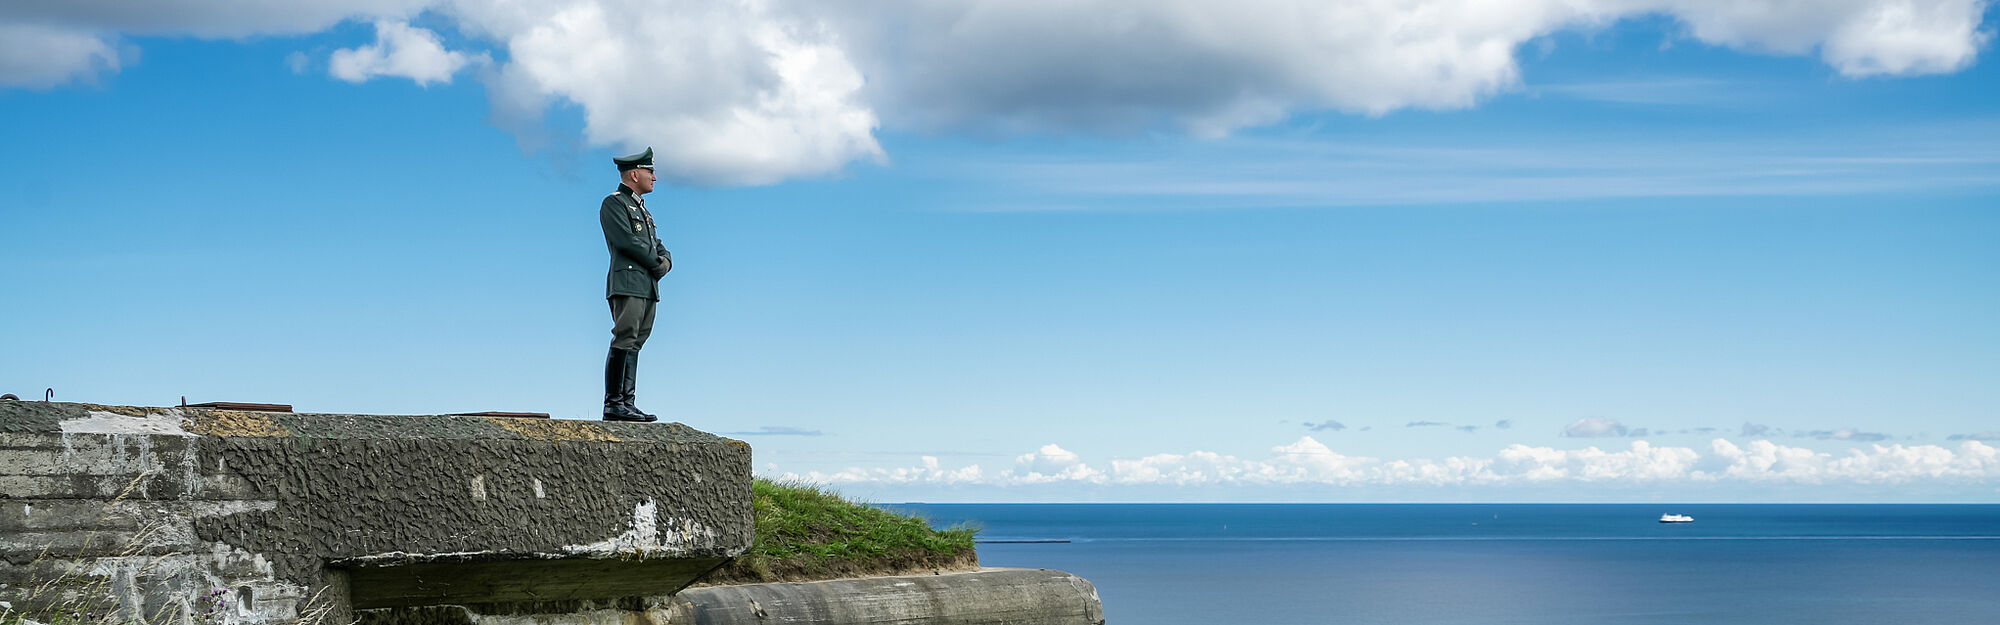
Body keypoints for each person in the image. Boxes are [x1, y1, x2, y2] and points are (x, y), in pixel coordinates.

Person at [600, 147, 672, 422]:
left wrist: (665, 262)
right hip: (628, 282)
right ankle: (614, 404)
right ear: (634, 173)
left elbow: (659, 246)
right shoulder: (615, 203)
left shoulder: (644, 211)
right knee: (625, 336)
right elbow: (627, 241)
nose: (654, 177)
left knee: (637, 340)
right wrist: (656, 263)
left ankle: (627, 403)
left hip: (647, 286)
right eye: (650, 171)